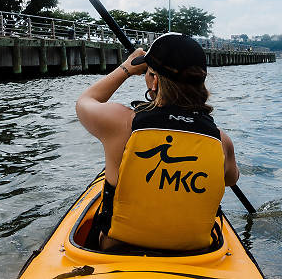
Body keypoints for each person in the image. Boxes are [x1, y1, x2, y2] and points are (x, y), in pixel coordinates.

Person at [76, 32, 240, 252]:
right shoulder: (221, 140)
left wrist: (126, 69)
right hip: (194, 256)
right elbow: (231, 179)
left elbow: (85, 101)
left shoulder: (121, 123)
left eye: (148, 73)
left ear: (154, 81)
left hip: (118, 250)